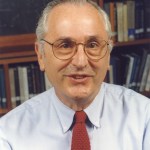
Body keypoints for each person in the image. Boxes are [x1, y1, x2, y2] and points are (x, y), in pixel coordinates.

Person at [0, 0, 150, 149]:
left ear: (108, 53)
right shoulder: (8, 134)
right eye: (65, 45)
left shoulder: (144, 118)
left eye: (93, 45)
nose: (80, 62)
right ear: (41, 54)